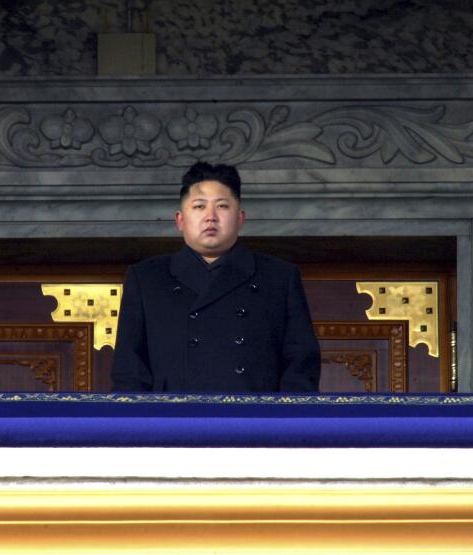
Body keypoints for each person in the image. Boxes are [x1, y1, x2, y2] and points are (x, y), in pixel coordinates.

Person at [111, 161, 321, 392]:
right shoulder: (146, 278)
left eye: (222, 206)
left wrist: (279, 424)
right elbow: (129, 373)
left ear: (240, 218)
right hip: (173, 422)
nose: (210, 217)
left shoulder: (279, 277)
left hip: (253, 422)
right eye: (199, 207)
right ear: (180, 220)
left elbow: (301, 369)